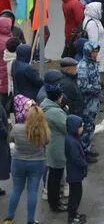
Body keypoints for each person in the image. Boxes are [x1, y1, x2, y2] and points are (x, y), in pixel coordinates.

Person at [6, 97, 48, 224]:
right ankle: (30, 220)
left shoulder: (17, 128)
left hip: (18, 161)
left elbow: (11, 140)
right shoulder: (43, 131)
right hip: (36, 162)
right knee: (32, 191)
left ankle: (9, 218)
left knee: (16, 189)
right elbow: (47, 142)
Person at [41, 84, 67, 214]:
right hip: (57, 147)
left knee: (53, 176)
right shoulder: (55, 112)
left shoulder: (46, 107)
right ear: (57, 97)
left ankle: (54, 201)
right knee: (55, 177)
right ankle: (55, 203)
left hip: (52, 146)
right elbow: (67, 127)